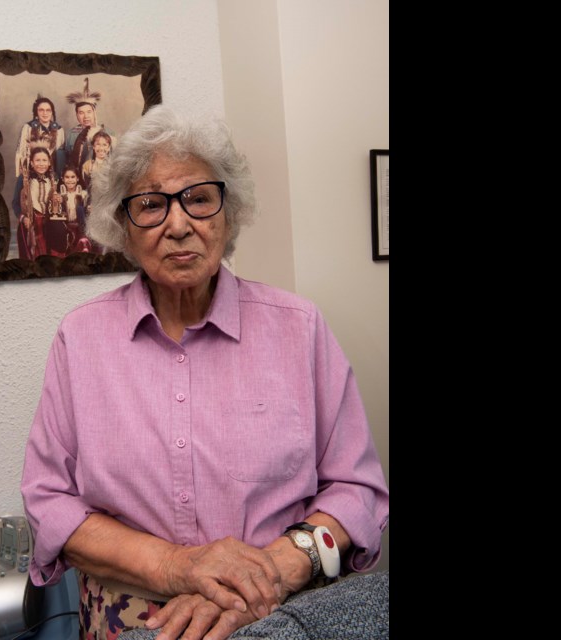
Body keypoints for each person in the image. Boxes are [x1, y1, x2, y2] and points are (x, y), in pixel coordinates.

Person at [20, 105, 389, 640]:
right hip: (134, 624)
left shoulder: (299, 328)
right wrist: (178, 567)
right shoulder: (80, 339)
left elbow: (357, 490)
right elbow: (49, 504)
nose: (177, 224)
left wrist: (268, 577)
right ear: (123, 226)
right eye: (150, 205)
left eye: (198, 199)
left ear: (228, 212)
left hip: (279, 614)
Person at [11, 145, 61, 259]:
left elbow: (61, 199)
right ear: (32, 163)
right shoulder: (24, 179)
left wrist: (58, 199)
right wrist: (24, 218)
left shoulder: (54, 178)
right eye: (37, 160)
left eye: (44, 160)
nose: (41, 164)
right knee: (30, 255)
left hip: (50, 220)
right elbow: (15, 203)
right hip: (31, 220)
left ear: (49, 163)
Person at [64, 77, 114, 173]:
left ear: (94, 113)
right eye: (81, 113)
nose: (86, 116)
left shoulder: (108, 132)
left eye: (89, 112)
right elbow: (67, 159)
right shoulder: (71, 134)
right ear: (77, 115)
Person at [14, 95, 66, 178]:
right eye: (41, 110)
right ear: (36, 112)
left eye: (48, 110)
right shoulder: (28, 128)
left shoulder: (59, 130)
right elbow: (22, 151)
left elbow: (60, 156)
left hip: (52, 171)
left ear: (52, 112)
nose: (45, 113)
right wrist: (24, 173)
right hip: (32, 169)